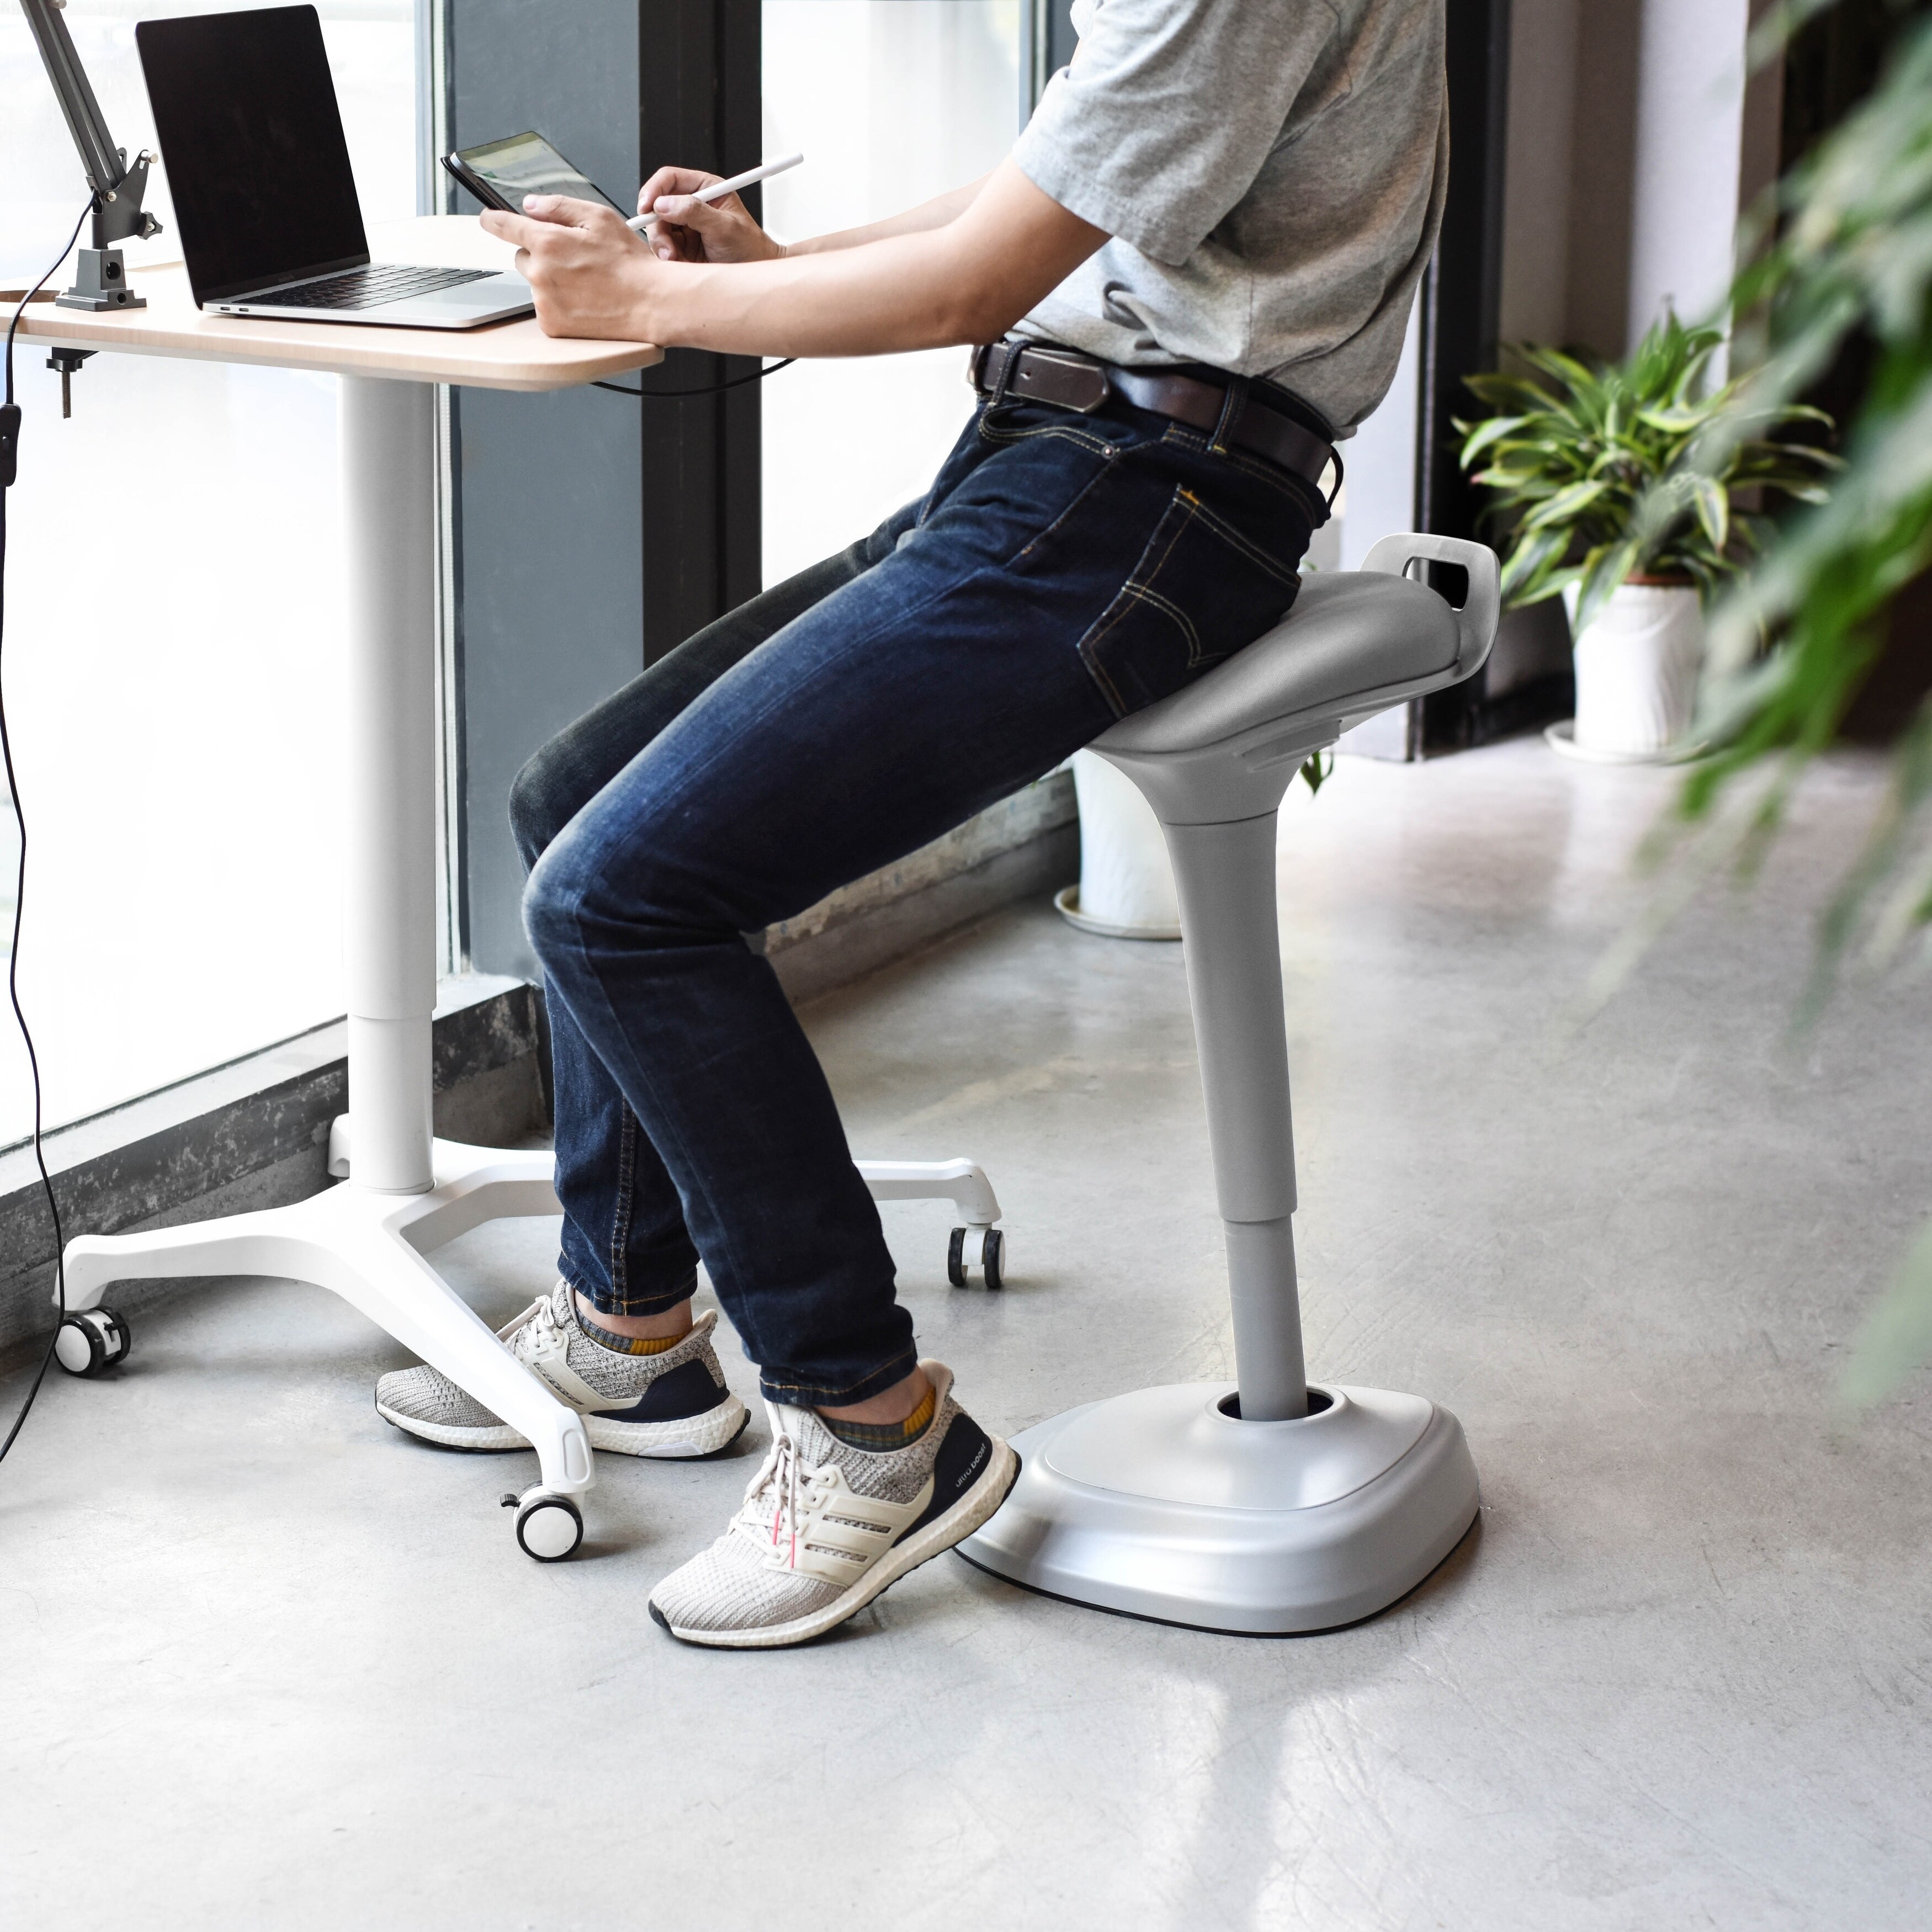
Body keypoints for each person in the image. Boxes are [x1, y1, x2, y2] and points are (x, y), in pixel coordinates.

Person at [375, 0, 1448, 1649]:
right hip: (1057, 457)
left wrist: (664, 295)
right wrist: (749, 263)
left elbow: (970, 284)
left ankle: (871, 1429)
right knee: (573, 798)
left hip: (1146, 496)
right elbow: (1042, 197)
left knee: (620, 895)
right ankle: (632, 1325)